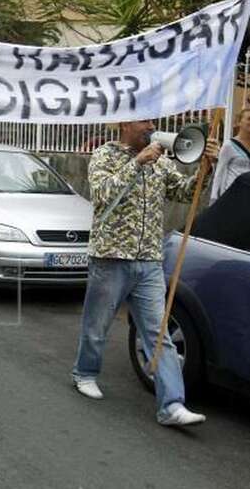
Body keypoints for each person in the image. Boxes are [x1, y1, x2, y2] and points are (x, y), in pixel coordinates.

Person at [71, 119, 219, 426]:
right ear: (126, 124)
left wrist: (205, 170)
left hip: (149, 261)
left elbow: (184, 193)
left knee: (158, 333)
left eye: (153, 121)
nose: (151, 126)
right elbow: (102, 195)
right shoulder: (105, 155)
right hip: (110, 257)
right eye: (145, 121)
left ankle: (171, 405)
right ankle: (84, 373)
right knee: (97, 325)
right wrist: (137, 163)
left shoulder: (161, 163)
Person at [210, 107, 250, 204]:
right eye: (249, 119)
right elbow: (219, 173)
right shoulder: (229, 145)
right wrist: (213, 199)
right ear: (239, 122)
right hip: (233, 197)